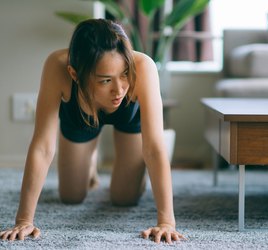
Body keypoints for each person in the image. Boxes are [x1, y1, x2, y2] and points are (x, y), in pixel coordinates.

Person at [0, 18, 184, 244]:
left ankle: (134, 171)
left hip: (129, 119)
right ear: (75, 74)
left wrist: (166, 222)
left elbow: (154, 149)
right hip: (80, 119)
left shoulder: (144, 66)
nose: (119, 89)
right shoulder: (57, 67)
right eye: (106, 80)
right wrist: (23, 220)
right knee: (71, 197)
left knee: (124, 199)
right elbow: (42, 147)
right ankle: (91, 158)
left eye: (125, 74)